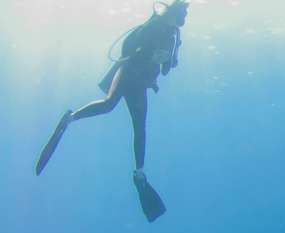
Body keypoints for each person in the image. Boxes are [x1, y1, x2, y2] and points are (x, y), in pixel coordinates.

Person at [35, 1, 188, 221]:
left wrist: (170, 60)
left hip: (139, 82)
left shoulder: (173, 37)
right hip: (129, 73)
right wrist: (152, 57)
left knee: (135, 125)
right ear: (175, 11)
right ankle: (70, 119)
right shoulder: (155, 26)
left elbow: (164, 71)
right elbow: (131, 51)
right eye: (184, 12)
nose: (185, 17)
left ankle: (138, 170)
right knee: (111, 106)